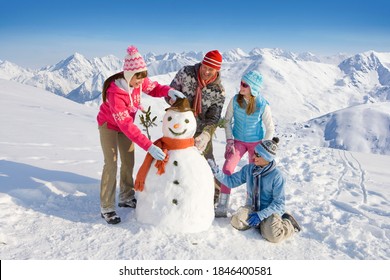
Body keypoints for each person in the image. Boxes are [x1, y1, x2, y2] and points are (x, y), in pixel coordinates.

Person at [97, 45, 185, 224]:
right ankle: (107, 207)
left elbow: (153, 88)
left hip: (123, 125)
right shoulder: (115, 93)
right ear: (129, 76)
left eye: (142, 78)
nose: (141, 83)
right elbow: (127, 125)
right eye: (138, 79)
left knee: (128, 161)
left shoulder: (140, 80)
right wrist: (149, 146)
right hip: (108, 125)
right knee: (111, 163)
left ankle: (126, 196)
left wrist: (168, 91)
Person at [208, 137, 301, 243]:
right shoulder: (249, 169)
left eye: (257, 155)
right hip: (252, 208)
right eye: (255, 153)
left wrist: (261, 215)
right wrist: (216, 171)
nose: (253, 157)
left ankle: (288, 223)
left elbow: (279, 204)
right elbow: (231, 182)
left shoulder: (277, 176)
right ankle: (263, 225)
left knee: (273, 236)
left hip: (269, 211)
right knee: (236, 221)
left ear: (267, 158)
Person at [167, 50, 225, 203]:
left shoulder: (218, 91)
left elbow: (214, 117)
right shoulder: (186, 73)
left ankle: (215, 193)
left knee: (208, 160)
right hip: (179, 127)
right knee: (175, 160)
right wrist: (172, 100)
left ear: (217, 70)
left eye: (210, 69)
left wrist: (206, 134)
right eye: (204, 66)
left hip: (200, 130)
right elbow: (169, 92)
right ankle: (174, 191)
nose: (206, 71)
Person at [215, 70, 275, 217]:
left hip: (256, 144)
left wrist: (263, 150)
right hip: (238, 141)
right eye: (241, 83)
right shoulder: (235, 100)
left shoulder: (262, 105)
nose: (240, 86)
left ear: (253, 88)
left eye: (244, 84)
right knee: (227, 168)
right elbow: (227, 120)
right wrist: (229, 140)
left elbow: (270, 128)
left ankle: (250, 203)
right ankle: (223, 203)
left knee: (254, 173)